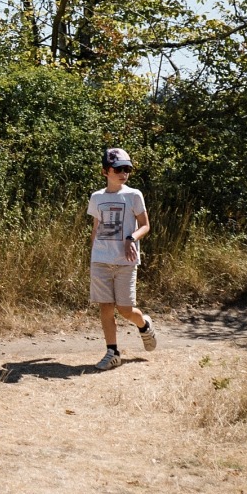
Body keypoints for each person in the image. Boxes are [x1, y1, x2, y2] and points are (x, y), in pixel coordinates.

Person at [89, 147, 157, 370]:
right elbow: (96, 228)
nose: (123, 172)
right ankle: (113, 352)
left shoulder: (134, 195)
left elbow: (145, 225)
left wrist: (131, 237)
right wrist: (93, 254)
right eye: (118, 168)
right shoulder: (97, 197)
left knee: (126, 309)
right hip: (100, 260)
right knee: (106, 307)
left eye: (127, 168)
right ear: (105, 171)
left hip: (126, 261)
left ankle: (144, 325)